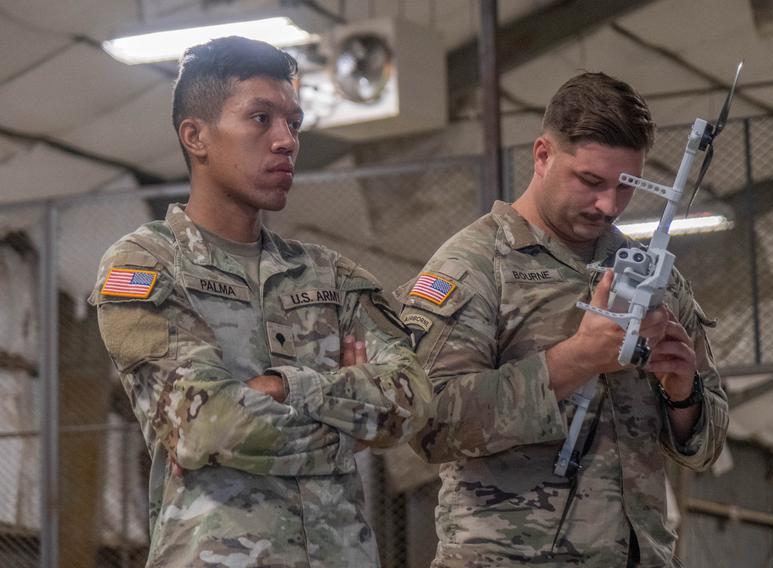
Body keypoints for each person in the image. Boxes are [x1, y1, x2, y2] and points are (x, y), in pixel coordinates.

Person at [90, 36, 431, 567]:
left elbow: (410, 401)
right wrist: (349, 424)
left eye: (293, 123)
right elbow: (206, 423)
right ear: (196, 136)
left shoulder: (331, 274)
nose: (286, 141)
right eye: (260, 118)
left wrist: (283, 386)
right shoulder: (148, 264)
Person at [395, 72, 728, 567]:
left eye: (625, 186)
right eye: (591, 181)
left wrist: (683, 395)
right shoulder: (476, 266)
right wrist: (575, 360)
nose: (609, 205)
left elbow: (704, 449)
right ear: (543, 155)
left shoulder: (652, 275)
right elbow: (427, 423)